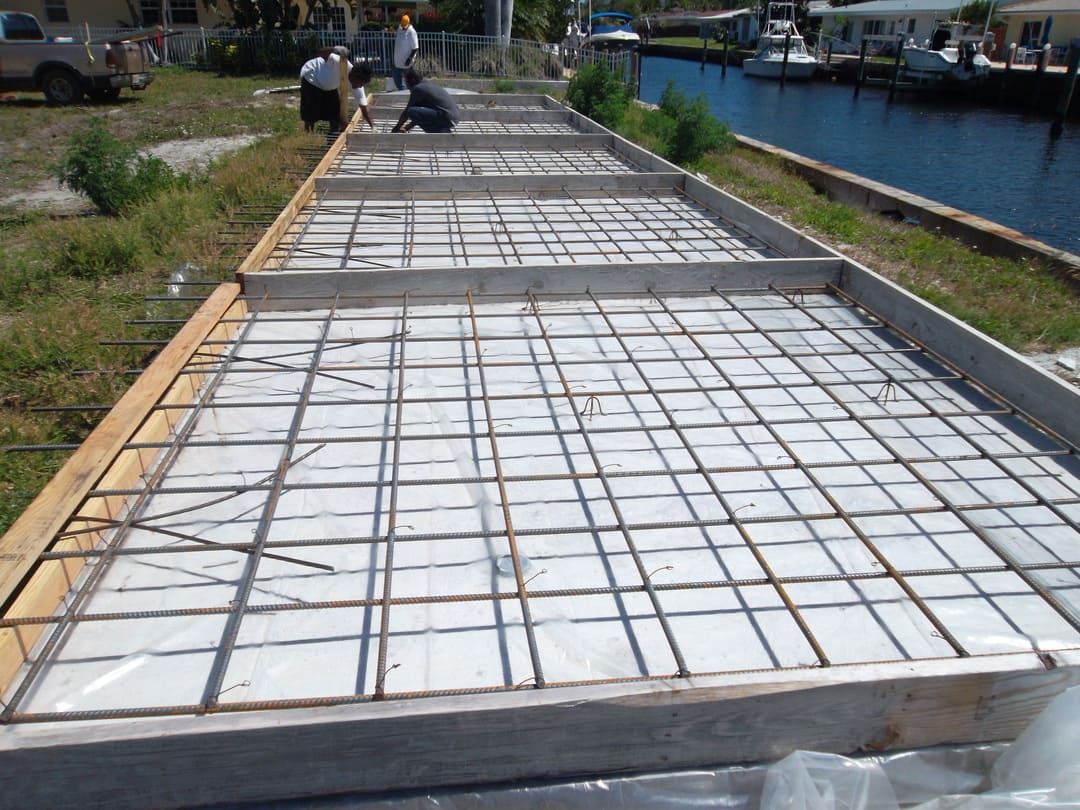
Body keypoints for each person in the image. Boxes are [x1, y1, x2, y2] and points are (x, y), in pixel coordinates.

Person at [390, 67, 460, 134]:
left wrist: (396, 128)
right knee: (416, 112)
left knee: (411, 111)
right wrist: (406, 128)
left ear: (413, 80)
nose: (407, 85)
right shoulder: (426, 84)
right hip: (454, 118)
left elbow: (407, 112)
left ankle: (440, 133)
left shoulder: (418, 89)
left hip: (447, 118)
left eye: (406, 82)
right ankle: (442, 130)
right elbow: (421, 116)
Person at [300, 45, 351, 133]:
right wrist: (334, 48)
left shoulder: (350, 71)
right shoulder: (336, 59)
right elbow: (321, 51)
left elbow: (360, 96)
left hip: (329, 85)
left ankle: (334, 134)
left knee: (335, 110)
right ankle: (308, 133)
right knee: (311, 110)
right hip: (312, 80)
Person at [392, 14, 419, 91]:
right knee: (397, 79)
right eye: (402, 25)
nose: (403, 27)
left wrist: (409, 59)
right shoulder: (400, 28)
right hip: (397, 61)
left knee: (409, 81)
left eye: (405, 26)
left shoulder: (411, 32)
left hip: (406, 62)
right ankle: (403, 91)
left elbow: (415, 48)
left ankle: (408, 93)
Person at [349, 63, 376, 130]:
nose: (361, 86)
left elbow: (364, 110)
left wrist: (373, 127)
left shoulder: (358, 89)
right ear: (354, 76)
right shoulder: (343, 65)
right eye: (360, 83)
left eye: (363, 85)